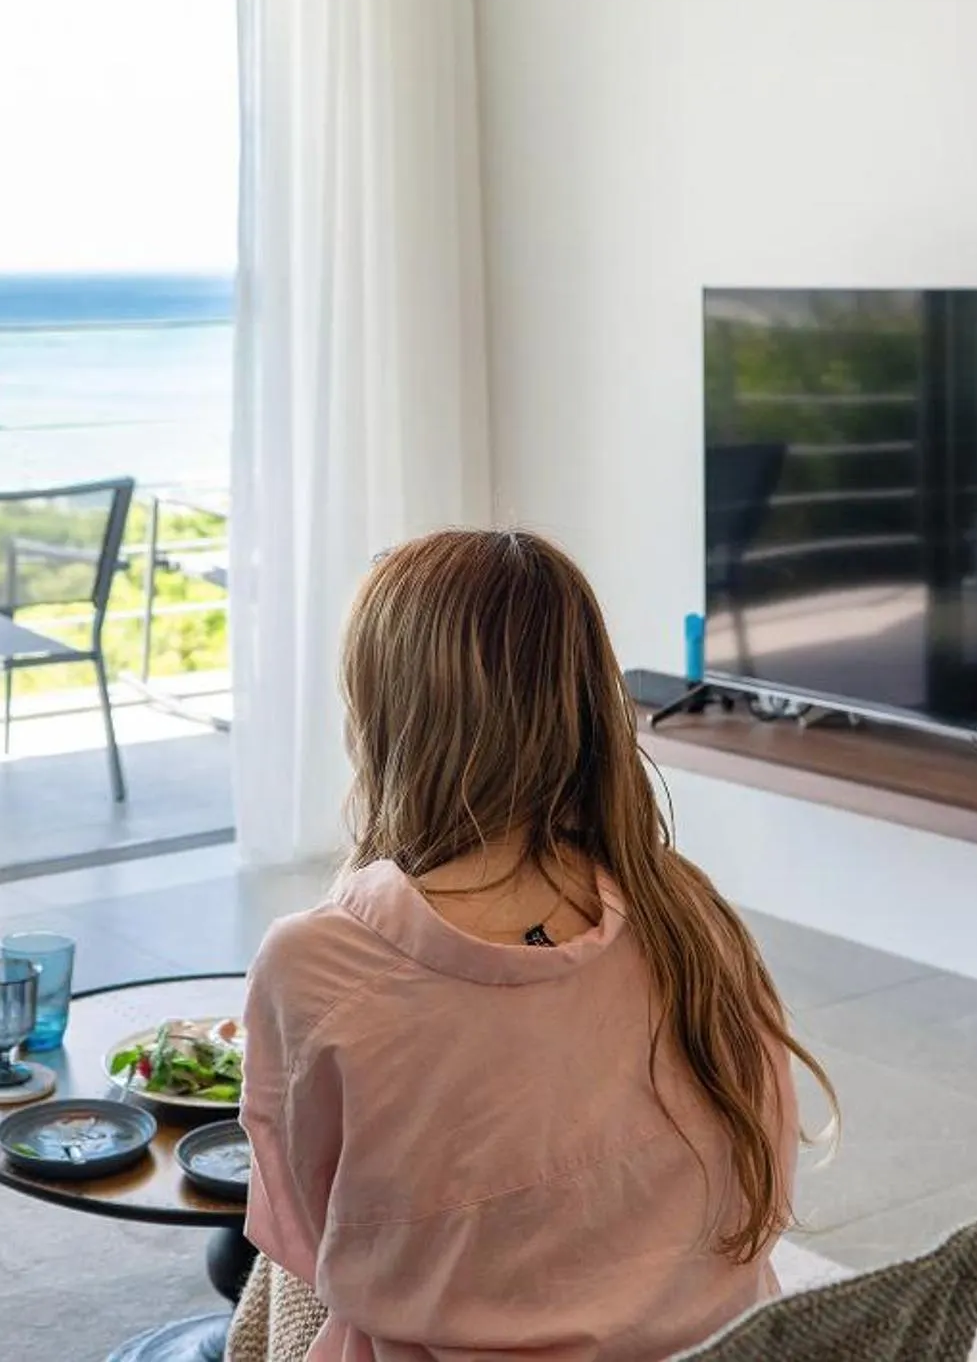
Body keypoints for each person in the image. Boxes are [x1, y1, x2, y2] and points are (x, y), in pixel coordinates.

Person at [240, 529, 834, 1362]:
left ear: (382, 719)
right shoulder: (687, 912)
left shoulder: (316, 965)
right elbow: (761, 1182)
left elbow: (304, 1235)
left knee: (270, 1277)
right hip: (713, 1347)